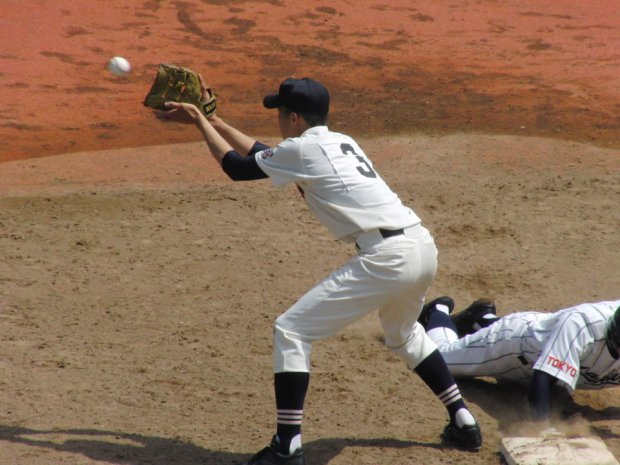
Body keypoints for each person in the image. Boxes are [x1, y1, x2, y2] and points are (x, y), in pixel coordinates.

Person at [156, 75, 482, 464]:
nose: (277, 118)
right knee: (405, 334)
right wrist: (217, 121)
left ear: (293, 118)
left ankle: (287, 446)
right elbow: (265, 155)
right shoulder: (338, 141)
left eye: (279, 112)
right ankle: (463, 420)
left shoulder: (305, 150)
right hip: (421, 246)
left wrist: (199, 122)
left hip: (388, 257)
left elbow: (239, 169)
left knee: (291, 330)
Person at [418, 296, 620, 422]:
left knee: (557, 392)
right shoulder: (582, 324)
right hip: (513, 347)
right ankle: (437, 311)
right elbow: (541, 378)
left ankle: (481, 319)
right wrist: (542, 432)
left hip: (546, 345)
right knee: (439, 362)